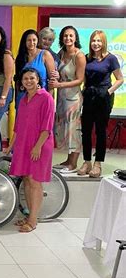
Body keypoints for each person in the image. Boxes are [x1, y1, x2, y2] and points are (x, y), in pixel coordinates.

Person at [6, 68, 55, 233]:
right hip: (23, 144)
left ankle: (33, 221)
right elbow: (18, 127)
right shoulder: (23, 99)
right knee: (26, 180)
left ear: (38, 79)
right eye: (25, 78)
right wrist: (10, 147)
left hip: (39, 145)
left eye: (31, 78)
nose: (28, 81)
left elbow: (47, 127)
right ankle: (28, 216)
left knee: (35, 182)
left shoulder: (46, 98)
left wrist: (37, 147)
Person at [78, 30, 123, 177]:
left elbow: (120, 79)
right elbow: (84, 78)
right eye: (93, 40)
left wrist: (108, 92)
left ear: (103, 42)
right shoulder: (86, 58)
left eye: (99, 41)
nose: (96, 43)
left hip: (104, 96)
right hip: (89, 95)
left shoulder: (111, 59)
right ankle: (86, 162)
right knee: (85, 130)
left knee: (100, 131)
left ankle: (98, 163)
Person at [49, 26, 86, 173]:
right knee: (64, 129)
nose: (68, 38)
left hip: (73, 98)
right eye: (65, 36)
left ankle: (73, 163)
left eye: (71, 36)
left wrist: (59, 84)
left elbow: (80, 80)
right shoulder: (61, 53)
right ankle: (68, 160)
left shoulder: (79, 56)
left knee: (73, 130)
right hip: (62, 97)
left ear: (75, 37)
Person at [14, 29, 56, 107]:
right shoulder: (20, 58)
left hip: (41, 96)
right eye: (29, 40)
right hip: (22, 96)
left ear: (38, 41)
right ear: (24, 42)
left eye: (34, 40)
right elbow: (18, 80)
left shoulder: (45, 54)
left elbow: (52, 80)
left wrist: (49, 98)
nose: (32, 43)